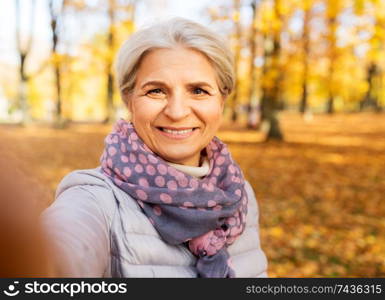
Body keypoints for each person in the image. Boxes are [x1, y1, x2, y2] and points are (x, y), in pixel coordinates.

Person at [41, 17, 268, 278]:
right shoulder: (96, 200)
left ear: (222, 101)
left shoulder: (238, 192)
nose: (177, 111)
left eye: (198, 90)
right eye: (156, 91)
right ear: (129, 100)